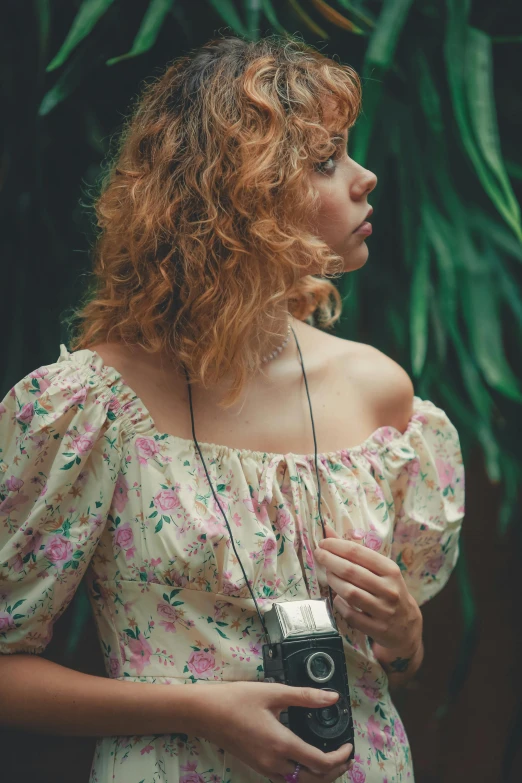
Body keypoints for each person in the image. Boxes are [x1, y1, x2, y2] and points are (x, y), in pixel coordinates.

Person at [0, 33, 465, 783]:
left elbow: (392, 671)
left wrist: (404, 633)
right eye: (325, 161)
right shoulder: (88, 406)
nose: (365, 177)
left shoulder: (383, 396)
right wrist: (195, 708)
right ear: (239, 200)